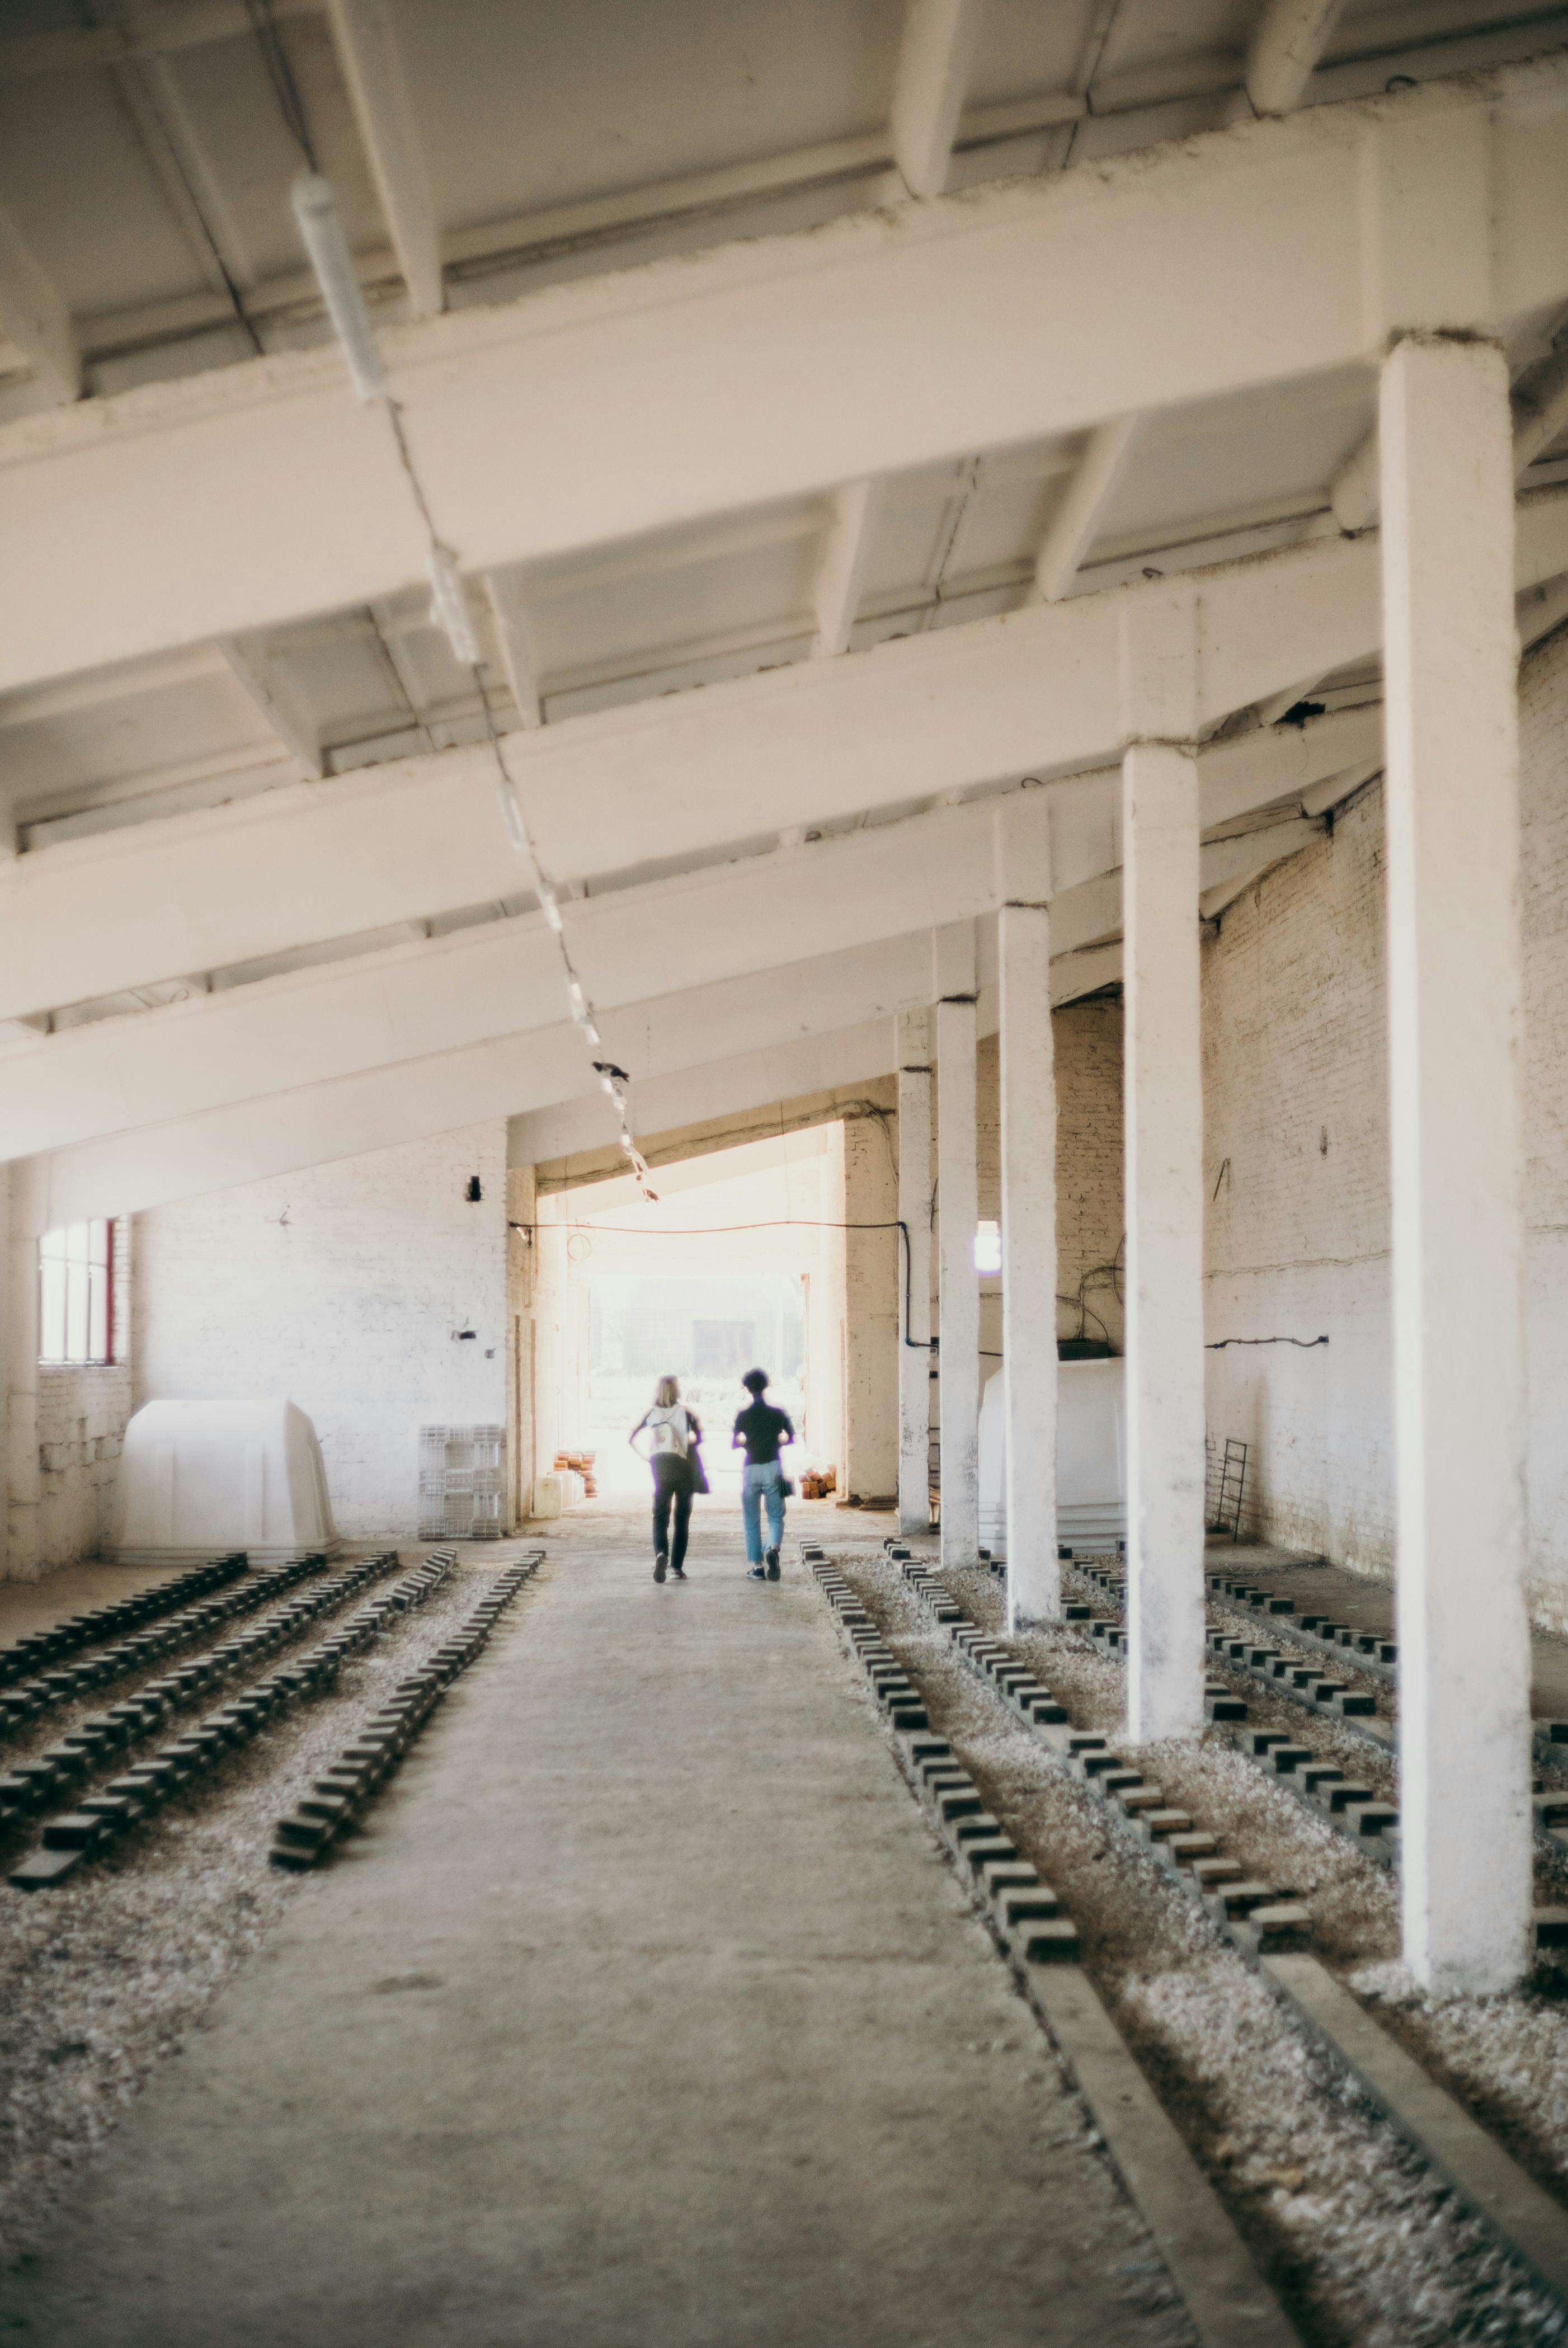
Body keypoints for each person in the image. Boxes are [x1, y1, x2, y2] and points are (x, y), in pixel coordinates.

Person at [630, 1375, 701, 1584]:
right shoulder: (686, 1414)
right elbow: (699, 1439)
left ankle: (661, 1553)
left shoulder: (651, 1414)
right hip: (683, 1467)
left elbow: (631, 1438)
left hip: (660, 1467)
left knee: (660, 1517)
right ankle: (677, 1568)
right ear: (677, 1391)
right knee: (682, 1519)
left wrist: (647, 1457)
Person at [732, 1367, 794, 1582]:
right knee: (776, 1515)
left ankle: (758, 1568)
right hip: (774, 1466)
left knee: (751, 1518)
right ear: (767, 1385)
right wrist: (776, 1441)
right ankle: (773, 1549)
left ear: (747, 1388)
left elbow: (735, 1442)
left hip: (751, 1468)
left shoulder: (743, 1415)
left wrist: (748, 1443)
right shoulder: (778, 1413)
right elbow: (790, 1438)